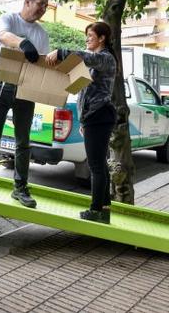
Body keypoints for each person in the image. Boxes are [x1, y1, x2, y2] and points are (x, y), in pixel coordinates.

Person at [0, 0, 50, 208]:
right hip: (1, 83)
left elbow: (42, 63)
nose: (43, 10)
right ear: (28, 2)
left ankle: (20, 189)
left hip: (26, 88)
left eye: (46, 6)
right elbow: (3, 37)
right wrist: (22, 44)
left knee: (23, 142)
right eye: (40, 4)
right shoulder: (7, 19)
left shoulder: (42, 33)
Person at [45, 21, 117, 224]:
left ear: (102, 38)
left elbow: (87, 57)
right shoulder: (95, 63)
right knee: (99, 164)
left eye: (90, 36)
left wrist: (61, 52)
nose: (87, 40)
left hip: (100, 116)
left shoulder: (106, 59)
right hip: (93, 118)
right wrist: (83, 121)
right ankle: (104, 209)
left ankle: (96, 210)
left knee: (95, 165)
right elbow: (83, 93)